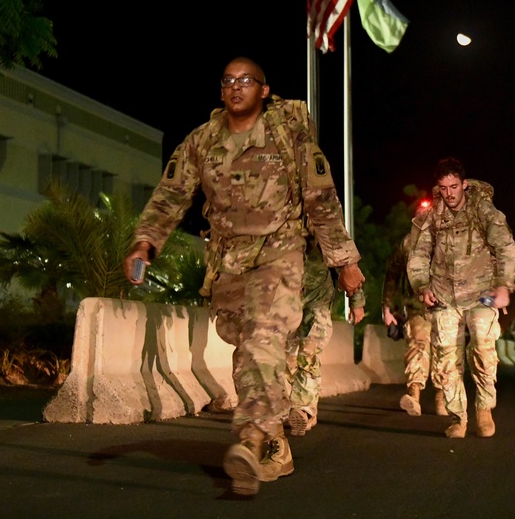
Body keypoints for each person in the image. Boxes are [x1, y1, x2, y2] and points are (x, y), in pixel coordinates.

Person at [124, 57, 364, 496]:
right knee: (245, 348)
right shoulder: (202, 141)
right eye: (228, 81)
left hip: (281, 251)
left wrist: (344, 261)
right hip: (229, 260)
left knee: (264, 337)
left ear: (264, 90)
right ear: (221, 91)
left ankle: (251, 438)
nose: (236, 87)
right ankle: (275, 444)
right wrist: (146, 242)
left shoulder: (289, 135)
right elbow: (172, 194)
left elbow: (321, 200)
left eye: (246, 81)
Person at [407, 158, 515, 438]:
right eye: (443, 188)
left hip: (481, 296)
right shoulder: (431, 217)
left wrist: (504, 286)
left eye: (454, 186)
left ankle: (484, 410)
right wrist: (422, 286)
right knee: (446, 360)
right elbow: (418, 255)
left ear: (464, 185)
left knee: (482, 349)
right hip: (444, 296)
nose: (449, 193)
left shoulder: (484, 212)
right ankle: (459, 418)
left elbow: (505, 248)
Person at [286, 237, 365, 436]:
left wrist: (356, 300)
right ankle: (308, 406)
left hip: (318, 297)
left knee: (310, 352)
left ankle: (303, 409)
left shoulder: (319, 217)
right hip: (285, 297)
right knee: (288, 358)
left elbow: (345, 258)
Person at [382, 227, 446, 417]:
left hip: (445, 309)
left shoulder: (450, 238)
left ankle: (442, 398)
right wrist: (386, 308)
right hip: (416, 307)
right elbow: (392, 275)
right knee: (417, 347)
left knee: (444, 350)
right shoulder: (407, 244)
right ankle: (414, 396)